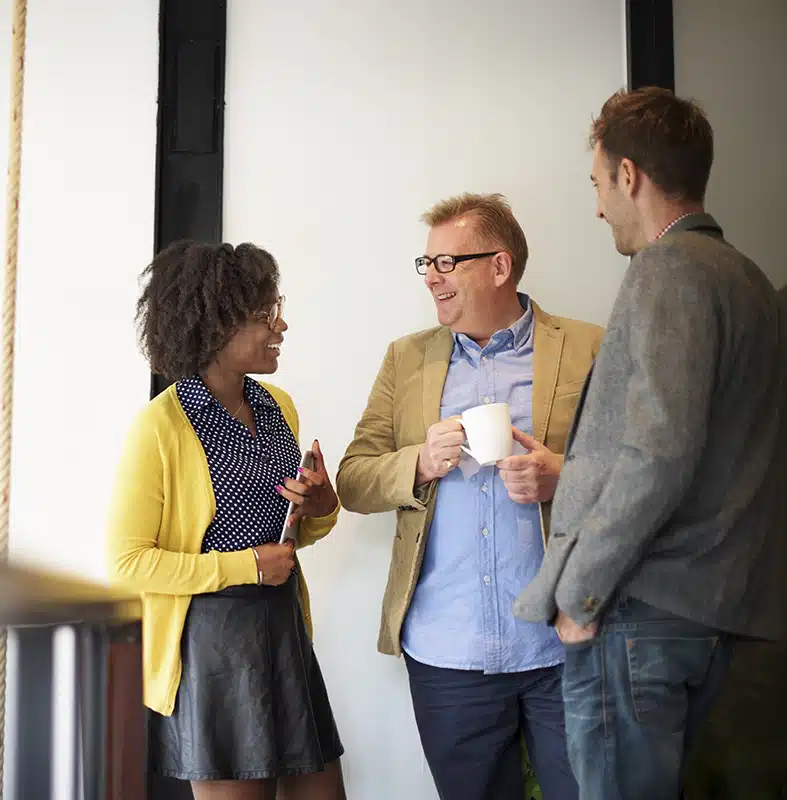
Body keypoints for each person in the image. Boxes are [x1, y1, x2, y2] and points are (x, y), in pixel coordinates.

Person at [514, 87, 784, 800]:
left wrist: (581, 591)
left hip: (640, 615)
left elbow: (659, 451)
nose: (599, 207)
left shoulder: (670, 267)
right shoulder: (751, 282)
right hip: (714, 613)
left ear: (628, 175)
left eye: (598, 184)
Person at [336, 193, 603, 800]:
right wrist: (418, 462)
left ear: (500, 266)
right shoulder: (406, 359)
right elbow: (353, 479)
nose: (431, 277)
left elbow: (641, 473)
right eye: (426, 263)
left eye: (446, 262)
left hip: (566, 642)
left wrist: (562, 476)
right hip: (447, 651)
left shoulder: (590, 346)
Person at [107, 241, 346, 800]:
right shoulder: (160, 428)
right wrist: (247, 567)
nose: (281, 325)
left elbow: (290, 535)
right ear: (215, 325)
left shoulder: (277, 405)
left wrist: (320, 508)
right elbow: (128, 562)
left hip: (284, 630)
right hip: (214, 648)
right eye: (265, 313)